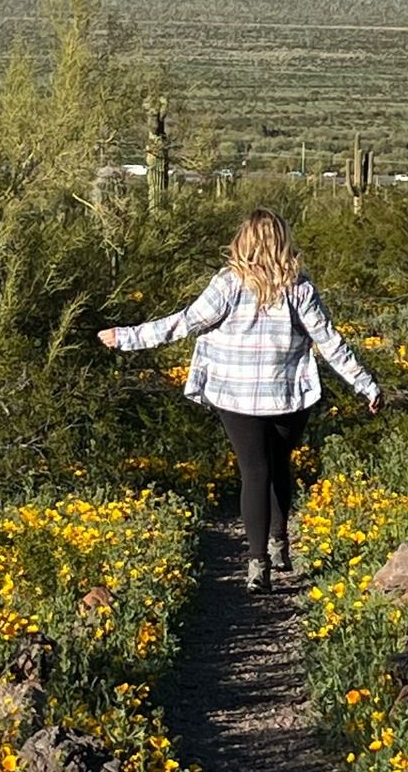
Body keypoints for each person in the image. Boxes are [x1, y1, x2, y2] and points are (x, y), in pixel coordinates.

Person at [97, 210, 381, 590]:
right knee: (279, 463)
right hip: (287, 393)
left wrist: (127, 337)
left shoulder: (227, 284)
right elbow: (329, 341)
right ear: (283, 241)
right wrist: (365, 384)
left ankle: (257, 564)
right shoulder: (299, 287)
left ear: (244, 241)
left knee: (254, 471)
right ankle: (279, 543)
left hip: (236, 393)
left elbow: (185, 322)